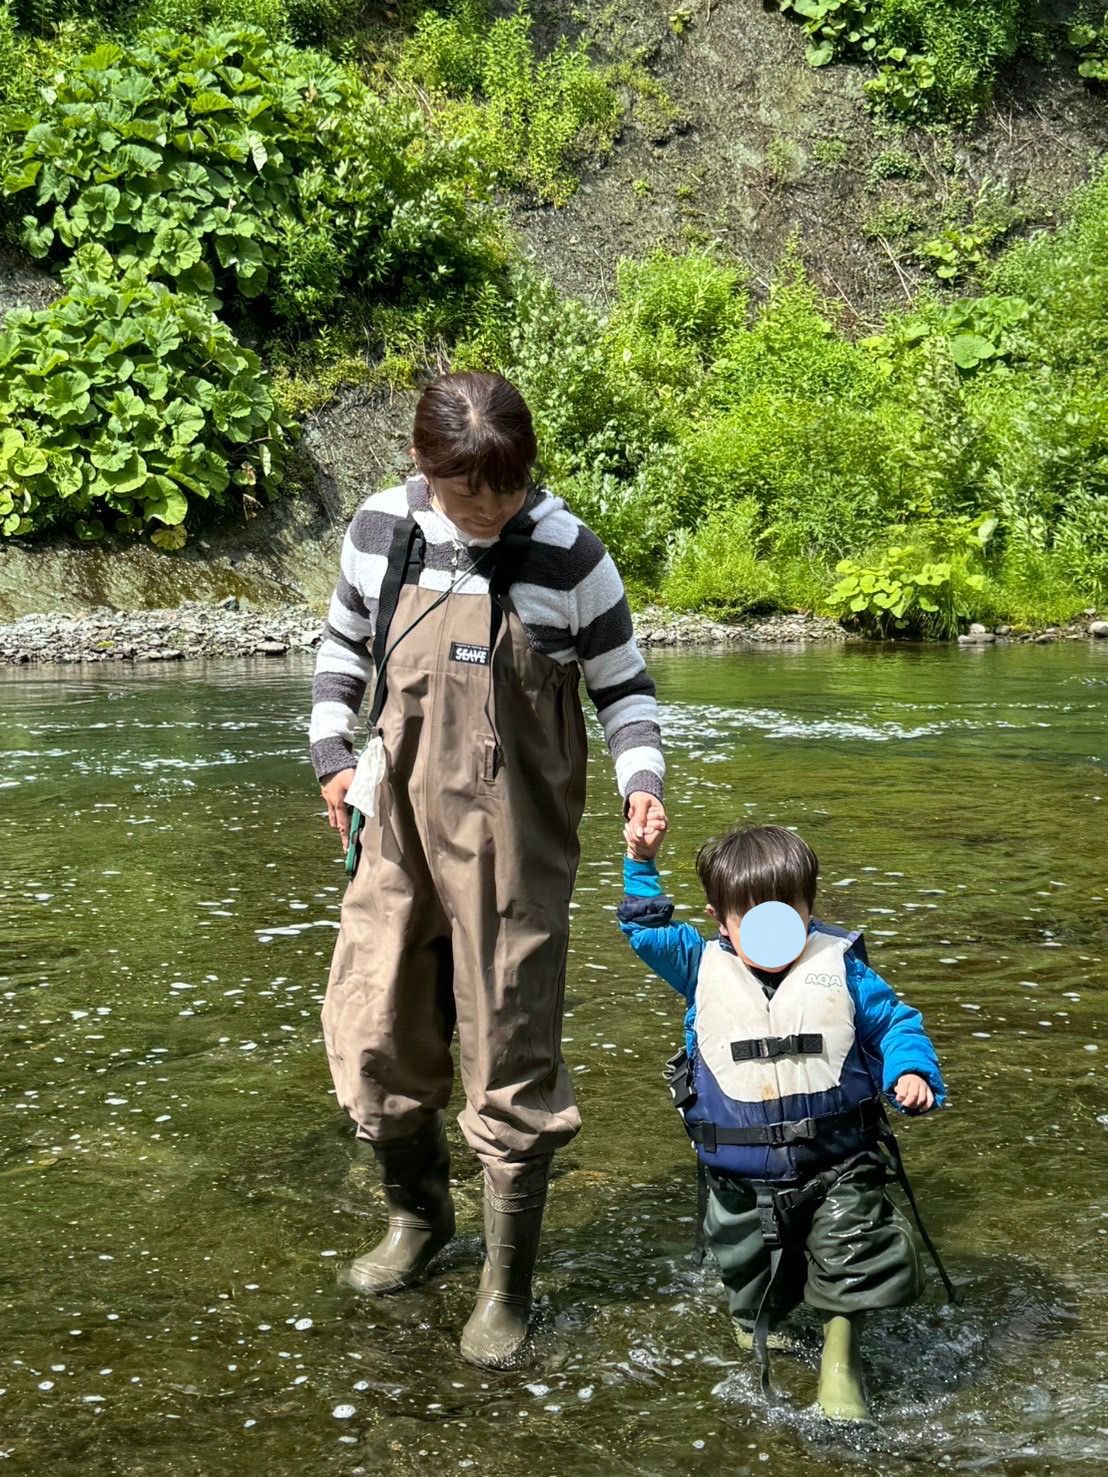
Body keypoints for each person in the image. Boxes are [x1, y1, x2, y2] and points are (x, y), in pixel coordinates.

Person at [310, 370, 667, 1368]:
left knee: (508, 1047)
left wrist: (644, 781)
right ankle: (418, 1219)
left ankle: (504, 1285)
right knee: (371, 1021)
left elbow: (626, 689)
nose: (493, 506)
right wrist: (332, 755)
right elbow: (342, 648)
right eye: (472, 491)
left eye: (508, 487)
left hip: (516, 841)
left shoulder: (567, 549)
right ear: (425, 469)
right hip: (393, 823)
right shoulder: (383, 529)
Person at [617, 822, 945, 1421]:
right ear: (720, 919)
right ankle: (753, 1323)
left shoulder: (842, 969)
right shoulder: (698, 966)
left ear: (808, 907)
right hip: (739, 1171)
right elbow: (644, 928)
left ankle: (840, 1366)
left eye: (788, 912)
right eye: (751, 919)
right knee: (748, 1268)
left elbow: (897, 1024)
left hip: (840, 1159)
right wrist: (641, 859)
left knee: (853, 1254)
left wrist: (910, 1073)